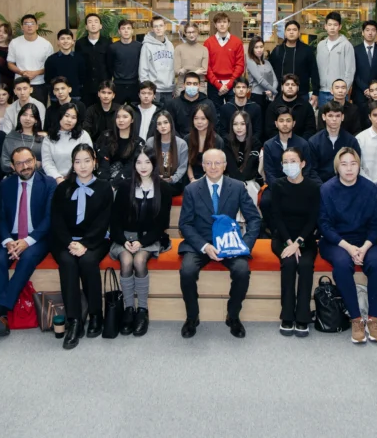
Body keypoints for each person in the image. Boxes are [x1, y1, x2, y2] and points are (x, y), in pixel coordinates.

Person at [178, 148, 261, 339]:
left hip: (229, 243)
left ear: (225, 165)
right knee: (187, 271)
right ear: (202, 166)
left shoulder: (237, 187)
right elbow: (185, 224)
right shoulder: (191, 189)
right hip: (200, 243)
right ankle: (192, 317)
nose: (213, 167)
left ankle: (233, 316)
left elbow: (254, 219)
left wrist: (244, 245)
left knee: (242, 270)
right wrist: (204, 246)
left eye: (217, 163)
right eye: (208, 163)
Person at [0, 146, 56, 339]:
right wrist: (7, 240)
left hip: (37, 237)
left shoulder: (48, 183)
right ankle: (2, 318)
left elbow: (49, 218)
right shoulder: (5, 185)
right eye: (19, 163)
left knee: (27, 259)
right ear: (12, 166)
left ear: (35, 161)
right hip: (10, 237)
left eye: (28, 161)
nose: (25, 166)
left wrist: (27, 241)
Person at [318, 148, 377, 344]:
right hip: (336, 240)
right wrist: (348, 247)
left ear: (359, 166)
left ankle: (373, 318)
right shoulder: (326, 189)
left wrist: (364, 248)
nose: (349, 168)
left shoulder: (370, 189)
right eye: (344, 164)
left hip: (365, 240)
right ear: (337, 167)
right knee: (341, 263)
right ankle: (356, 318)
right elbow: (324, 225)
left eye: (353, 164)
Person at [53, 144, 113, 349]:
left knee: (88, 262)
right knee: (67, 263)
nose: (83, 166)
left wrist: (85, 243)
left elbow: (103, 221)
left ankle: (96, 314)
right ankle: (74, 320)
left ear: (94, 162)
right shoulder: (63, 188)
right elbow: (57, 220)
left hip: (95, 239)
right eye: (78, 162)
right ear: (73, 164)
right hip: (66, 241)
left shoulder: (104, 187)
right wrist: (70, 243)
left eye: (87, 161)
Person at [110, 149, 171, 337]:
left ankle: (142, 310)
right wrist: (124, 241)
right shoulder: (125, 186)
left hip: (149, 237)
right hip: (125, 237)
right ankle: (129, 308)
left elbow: (162, 224)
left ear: (154, 164)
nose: (143, 167)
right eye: (138, 162)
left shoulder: (163, 188)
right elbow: (114, 221)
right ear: (134, 165)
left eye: (147, 162)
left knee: (139, 260)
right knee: (126, 260)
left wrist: (141, 242)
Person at [266, 147, 320, 337]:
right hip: (283, 237)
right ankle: (287, 316)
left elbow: (313, 219)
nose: (290, 165)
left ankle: (303, 316)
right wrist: (289, 242)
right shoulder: (278, 186)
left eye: (293, 161)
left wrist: (298, 243)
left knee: (305, 265)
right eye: (286, 162)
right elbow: (277, 217)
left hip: (305, 238)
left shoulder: (313, 187)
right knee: (288, 263)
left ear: (303, 163)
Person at [309, 101, 362, 182]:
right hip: (321, 185)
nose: (334, 119)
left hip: (346, 184)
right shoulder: (314, 142)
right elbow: (312, 170)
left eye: (337, 116)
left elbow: (356, 166)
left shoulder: (351, 141)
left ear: (342, 117)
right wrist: (322, 187)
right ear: (323, 117)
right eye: (330, 116)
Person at [7, 14, 54, 105]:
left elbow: (50, 66)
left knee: (39, 111)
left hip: (39, 84)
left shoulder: (46, 44)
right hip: (20, 84)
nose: (29, 26)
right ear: (22, 27)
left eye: (32, 23)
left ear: (37, 26)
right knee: (20, 111)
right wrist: (22, 73)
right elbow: (10, 63)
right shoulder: (14, 43)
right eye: (26, 23)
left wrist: (36, 72)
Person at [41, 103, 93, 183]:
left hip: (80, 179)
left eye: (73, 117)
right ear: (60, 116)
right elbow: (47, 162)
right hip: (56, 180)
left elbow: (89, 159)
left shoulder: (83, 135)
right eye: (66, 116)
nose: (69, 120)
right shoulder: (48, 138)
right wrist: (57, 178)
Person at [270, 19, 319, 101]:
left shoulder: (307, 50)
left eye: (294, 30)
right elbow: (270, 71)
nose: (291, 32)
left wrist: (315, 92)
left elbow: (314, 72)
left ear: (299, 33)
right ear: (285, 33)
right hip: (280, 94)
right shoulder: (278, 50)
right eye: (288, 30)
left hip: (301, 94)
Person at [262, 105, 313, 184]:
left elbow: (307, 170)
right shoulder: (268, 145)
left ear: (294, 123)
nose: (285, 124)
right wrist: (280, 188)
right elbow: (269, 173)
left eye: (288, 121)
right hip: (276, 187)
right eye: (281, 121)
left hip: (299, 185)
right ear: (276, 123)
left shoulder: (303, 144)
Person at [315, 12, 356, 108]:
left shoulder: (346, 45)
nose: (332, 28)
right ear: (325, 26)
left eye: (335, 25)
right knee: (323, 116)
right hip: (322, 92)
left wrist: (343, 90)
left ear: (340, 27)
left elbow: (350, 71)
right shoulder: (321, 45)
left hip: (339, 93)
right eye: (329, 25)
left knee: (340, 116)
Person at [95, 104, 143, 188]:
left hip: (126, 185)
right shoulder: (106, 136)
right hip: (103, 182)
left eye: (125, 117)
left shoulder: (139, 142)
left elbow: (130, 167)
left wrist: (114, 184)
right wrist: (106, 185)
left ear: (132, 120)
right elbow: (102, 161)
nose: (121, 120)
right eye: (118, 117)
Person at [204, 12, 245, 106]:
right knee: (214, 113)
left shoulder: (237, 42)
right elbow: (207, 66)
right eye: (219, 22)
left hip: (232, 84)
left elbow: (240, 65)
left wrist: (229, 84)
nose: (222, 24)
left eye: (224, 22)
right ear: (215, 25)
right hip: (214, 85)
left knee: (233, 112)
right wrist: (218, 85)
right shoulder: (208, 43)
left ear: (229, 24)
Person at [222, 111, 262, 206]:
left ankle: (250, 215)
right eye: (235, 124)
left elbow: (249, 170)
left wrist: (242, 182)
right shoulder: (227, 143)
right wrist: (239, 182)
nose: (238, 127)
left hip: (250, 181)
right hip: (231, 180)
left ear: (248, 125)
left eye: (242, 124)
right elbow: (232, 169)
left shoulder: (255, 143)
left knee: (250, 187)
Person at [263, 73, 316, 140]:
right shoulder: (273, 107)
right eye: (287, 84)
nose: (290, 87)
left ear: (298, 88)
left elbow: (310, 130)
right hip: (278, 143)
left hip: (301, 144)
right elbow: (270, 130)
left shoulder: (306, 106)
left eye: (293, 85)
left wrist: (300, 143)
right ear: (282, 87)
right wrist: (283, 142)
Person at [146, 110, 188, 195]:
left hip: (174, 183)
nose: (163, 126)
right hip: (154, 180)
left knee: (164, 189)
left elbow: (182, 167)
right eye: (159, 124)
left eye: (165, 122)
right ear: (156, 127)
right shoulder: (150, 142)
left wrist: (172, 178)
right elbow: (147, 163)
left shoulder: (181, 144)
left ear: (171, 124)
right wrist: (155, 177)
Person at [75, 13, 113, 107]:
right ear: (86, 26)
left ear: (100, 26)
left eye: (96, 22)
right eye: (90, 22)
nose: (93, 24)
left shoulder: (107, 42)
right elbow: (78, 64)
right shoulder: (80, 43)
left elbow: (110, 64)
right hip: (86, 86)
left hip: (103, 86)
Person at [138, 17, 175, 105]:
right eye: (155, 26)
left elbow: (172, 68)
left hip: (169, 90)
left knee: (168, 114)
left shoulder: (170, 45)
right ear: (152, 29)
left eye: (161, 26)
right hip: (155, 91)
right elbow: (143, 70)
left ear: (165, 27)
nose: (158, 28)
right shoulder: (147, 46)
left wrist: (173, 87)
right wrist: (148, 91)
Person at [43, 29, 88, 102]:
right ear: (58, 42)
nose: (65, 41)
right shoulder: (51, 60)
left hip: (75, 96)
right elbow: (48, 79)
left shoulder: (80, 58)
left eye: (68, 38)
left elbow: (83, 78)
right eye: (62, 39)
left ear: (73, 42)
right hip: (56, 97)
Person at [170, 72, 218, 139]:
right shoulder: (174, 104)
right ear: (183, 85)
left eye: (195, 84)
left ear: (199, 86)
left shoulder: (208, 104)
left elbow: (213, 126)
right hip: (180, 141)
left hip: (203, 140)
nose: (192, 86)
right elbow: (171, 127)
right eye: (189, 83)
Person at [354, 20, 377, 110]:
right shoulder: (355, 50)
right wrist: (365, 88)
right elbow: (354, 72)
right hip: (360, 93)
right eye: (367, 30)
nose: (370, 33)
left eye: (373, 30)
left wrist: (375, 88)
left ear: (376, 32)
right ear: (363, 32)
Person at [0, 103, 45, 176]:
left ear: (36, 120)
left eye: (32, 116)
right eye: (24, 115)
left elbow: (48, 162)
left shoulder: (43, 139)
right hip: (14, 176)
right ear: (19, 117)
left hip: (39, 176)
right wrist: (21, 167)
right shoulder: (11, 137)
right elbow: (4, 163)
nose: (27, 118)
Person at [185, 102, 223, 183]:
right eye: (196, 118)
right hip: (190, 177)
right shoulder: (187, 139)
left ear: (209, 120)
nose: (199, 122)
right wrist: (192, 179)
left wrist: (201, 181)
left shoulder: (217, 140)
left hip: (211, 177)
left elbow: (217, 166)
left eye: (203, 119)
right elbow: (187, 163)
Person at [108, 19, 143, 106]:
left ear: (132, 31)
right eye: (123, 28)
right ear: (119, 31)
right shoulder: (113, 47)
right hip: (118, 85)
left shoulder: (139, 46)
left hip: (134, 84)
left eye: (128, 28)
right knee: (116, 110)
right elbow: (109, 66)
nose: (126, 31)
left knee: (135, 110)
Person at [246, 36, 278, 116]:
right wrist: (274, 91)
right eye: (256, 47)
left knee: (268, 120)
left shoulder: (267, 62)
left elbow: (275, 79)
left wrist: (272, 91)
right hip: (257, 96)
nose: (259, 50)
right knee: (258, 121)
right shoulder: (250, 62)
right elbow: (260, 80)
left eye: (261, 47)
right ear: (252, 49)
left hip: (268, 96)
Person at [173, 23, 208, 96]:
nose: (191, 35)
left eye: (193, 32)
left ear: (197, 32)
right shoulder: (179, 49)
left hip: (199, 87)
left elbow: (204, 70)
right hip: (182, 86)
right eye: (189, 32)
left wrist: (185, 69)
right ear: (185, 33)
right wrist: (196, 72)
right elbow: (177, 71)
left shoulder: (204, 49)